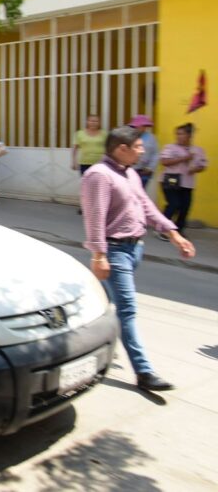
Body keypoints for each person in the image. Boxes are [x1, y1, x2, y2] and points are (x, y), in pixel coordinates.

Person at [80, 126, 195, 392]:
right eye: (139, 147)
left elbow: (146, 206)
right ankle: (144, 372)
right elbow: (95, 217)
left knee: (108, 304)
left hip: (134, 249)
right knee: (127, 309)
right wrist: (99, 254)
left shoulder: (129, 173)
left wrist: (174, 235)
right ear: (122, 149)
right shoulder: (99, 175)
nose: (143, 151)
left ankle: (91, 346)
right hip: (114, 251)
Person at [158, 123, 208, 238]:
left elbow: (203, 165)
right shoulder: (170, 147)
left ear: (189, 135)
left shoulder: (197, 150)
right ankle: (162, 229)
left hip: (187, 183)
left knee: (185, 207)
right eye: (177, 134)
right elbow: (164, 162)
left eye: (182, 134)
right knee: (174, 204)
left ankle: (179, 230)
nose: (179, 136)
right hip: (171, 180)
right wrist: (184, 158)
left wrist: (196, 169)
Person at [128, 115, 158, 188]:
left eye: (143, 126)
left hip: (144, 171)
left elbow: (155, 154)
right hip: (130, 170)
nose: (139, 128)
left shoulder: (151, 138)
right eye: (136, 126)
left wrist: (150, 168)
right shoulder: (128, 136)